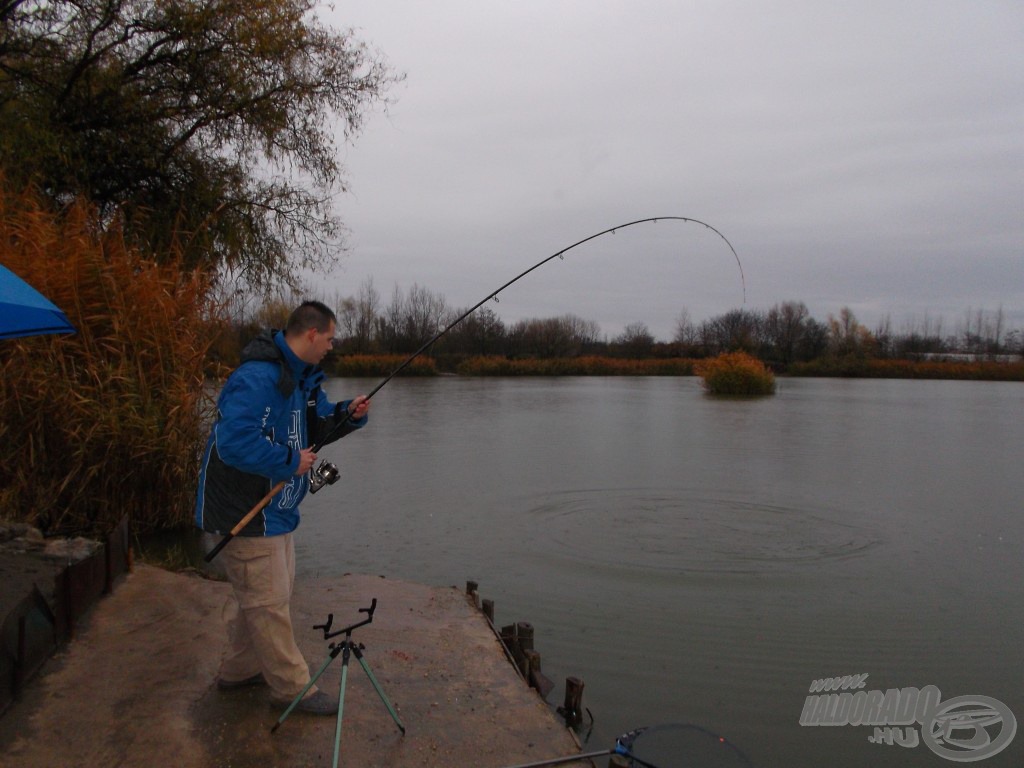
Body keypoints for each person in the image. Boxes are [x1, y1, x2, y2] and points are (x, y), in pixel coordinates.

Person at [195, 300, 370, 715]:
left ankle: (238, 671)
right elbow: (233, 443)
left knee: (262, 598)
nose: (331, 346)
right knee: (269, 604)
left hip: (277, 514)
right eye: (329, 338)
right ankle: (292, 690)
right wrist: (291, 462)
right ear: (311, 334)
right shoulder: (257, 378)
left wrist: (349, 414)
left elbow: (319, 424)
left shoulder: (304, 380)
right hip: (246, 513)